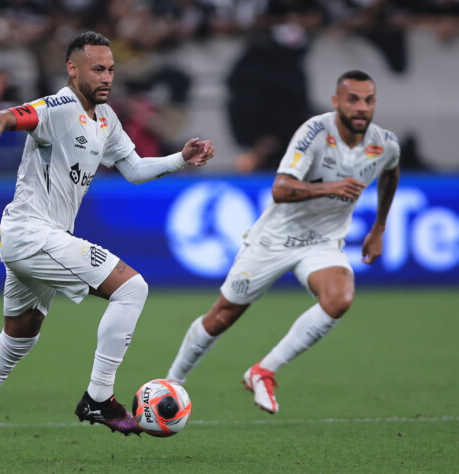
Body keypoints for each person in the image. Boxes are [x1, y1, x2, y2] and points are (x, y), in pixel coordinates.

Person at [0, 31, 214, 459]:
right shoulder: (58, 107)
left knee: (18, 339)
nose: (107, 77)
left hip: (40, 238)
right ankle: (99, 397)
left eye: (111, 69)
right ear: (73, 69)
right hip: (32, 233)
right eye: (98, 69)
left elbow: (134, 169)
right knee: (132, 287)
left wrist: (180, 158)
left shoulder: (106, 118)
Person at [166, 70, 400, 414]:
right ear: (337, 102)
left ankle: (263, 371)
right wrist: (329, 187)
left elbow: (391, 172)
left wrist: (379, 227)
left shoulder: (385, 144)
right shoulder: (315, 133)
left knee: (339, 298)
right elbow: (280, 189)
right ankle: (171, 383)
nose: (361, 107)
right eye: (353, 99)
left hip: (322, 242)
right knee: (222, 317)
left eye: (368, 100)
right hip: (275, 238)